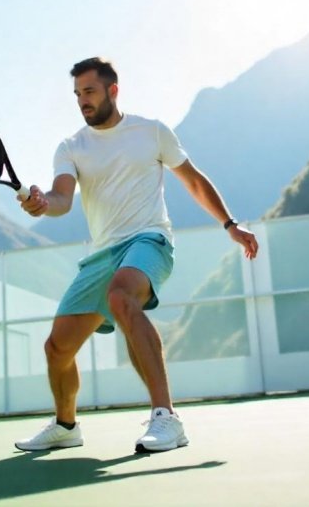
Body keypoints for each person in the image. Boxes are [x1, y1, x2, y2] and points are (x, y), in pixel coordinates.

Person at [15, 57, 258, 453]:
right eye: (77, 95)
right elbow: (62, 198)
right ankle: (66, 426)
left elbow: (194, 182)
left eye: (90, 92)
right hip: (102, 255)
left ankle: (167, 418)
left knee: (121, 297)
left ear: (113, 90)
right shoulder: (71, 146)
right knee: (56, 348)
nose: (83, 101)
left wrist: (230, 225)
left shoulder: (151, 131)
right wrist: (44, 202)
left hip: (149, 241)